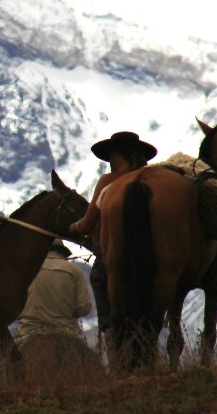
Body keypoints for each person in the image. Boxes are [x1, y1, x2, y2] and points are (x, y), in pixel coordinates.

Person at [68, 130, 157, 336]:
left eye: (111, 156)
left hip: (112, 258)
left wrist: (73, 227)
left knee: (99, 277)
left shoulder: (109, 181)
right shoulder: (152, 179)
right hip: (151, 255)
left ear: (116, 155)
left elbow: (87, 225)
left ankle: (110, 334)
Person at [15, 239, 93, 342]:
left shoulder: (25, 269)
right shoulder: (73, 270)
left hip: (27, 333)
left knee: (12, 356)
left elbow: (12, 306)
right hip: (67, 334)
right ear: (62, 251)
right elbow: (85, 307)